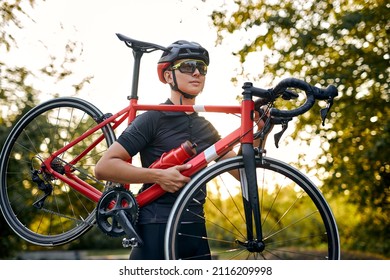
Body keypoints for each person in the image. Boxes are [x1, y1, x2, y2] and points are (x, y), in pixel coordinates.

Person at [95, 40, 266, 259]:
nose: (196, 72)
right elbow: (104, 167)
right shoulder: (152, 118)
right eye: (187, 66)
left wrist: (260, 132)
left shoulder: (206, 128)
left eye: (202, 68)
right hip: (156, 226)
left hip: (196, 229)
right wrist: (158, 175)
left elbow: (242, 174)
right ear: (168, 76)